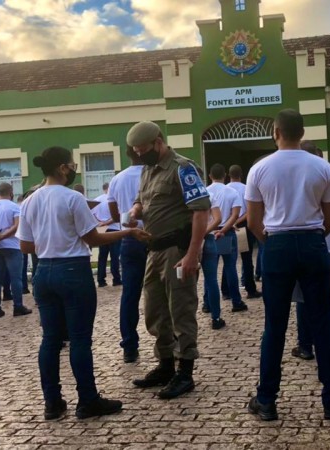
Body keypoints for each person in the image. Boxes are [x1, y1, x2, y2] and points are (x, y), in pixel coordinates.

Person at [245, 109, 330, 421]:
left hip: (277, 245)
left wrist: (274, 243)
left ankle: (266, 399)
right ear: (302, 132)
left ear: (275, 132)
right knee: (321, 321)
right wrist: (311, 237)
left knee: (275, 326)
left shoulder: (259, 169)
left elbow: (254, 222)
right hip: (313, 243)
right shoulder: (321, 168)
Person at [17, 146, 149, 420]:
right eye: (72, 164)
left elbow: (26, 246)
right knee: (79, 339)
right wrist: (129, 232)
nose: (74, 168)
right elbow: (93, 239)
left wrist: (49, 240)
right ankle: (87, 399)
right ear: (63, 168)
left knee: (50, 340)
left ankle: (52, 402)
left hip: (44, 272)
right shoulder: (73, 198)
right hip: (73, 271)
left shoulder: (29, 200)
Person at [128, 121, 210, 400]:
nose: (140, 155)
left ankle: (184, 373)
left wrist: (192, 254)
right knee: (155, 310)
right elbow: (142, 200)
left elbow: (201, 212)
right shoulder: (148, 170)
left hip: (178, 250)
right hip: (154, 250)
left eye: (144, 149)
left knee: (181, 310)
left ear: (158, 142)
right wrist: (136, 209)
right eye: (137, 151)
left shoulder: (183, 168)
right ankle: (165, 365)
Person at [292, 142, 330, 361]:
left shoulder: (294, 177)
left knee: (303, 299)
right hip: (329, 245)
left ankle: (306, 345)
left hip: (305, 247)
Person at [107, 148, 147, 363]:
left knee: (130, 294)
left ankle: (129, 345)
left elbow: (113, 212)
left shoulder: (117, 179)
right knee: (165, 291)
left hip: (130, 237)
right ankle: (173, 338)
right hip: (153, 235)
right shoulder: (153, 173)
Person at [0, 183, 32, 318]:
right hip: (12, 245)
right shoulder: (15, 207)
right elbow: (17, 226)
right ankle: (18, 306)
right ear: (11, 193)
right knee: (16, 278)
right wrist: (4, 236)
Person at [207, 163, 248, 313]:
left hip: (211, 232)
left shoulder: (205, 192)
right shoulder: (231, 192)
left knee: (210, 271)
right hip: (226, 232)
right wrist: (224, 230)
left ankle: (207, 303)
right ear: (224, 175)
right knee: (230, 267)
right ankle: (236, 301)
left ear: (210, 176)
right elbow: (235, 215)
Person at [227, 164, 262, 299]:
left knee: (228, 259)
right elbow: (249, 211)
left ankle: (226, 291)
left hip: (227, 226)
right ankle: (250, 289)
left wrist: (231, 222)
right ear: (241, 174)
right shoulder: (246, 188)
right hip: (242, 226)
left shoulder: (225, 189)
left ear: (228, 175)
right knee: (246, 259)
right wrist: (238, 221)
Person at [200, 181, 225, 329]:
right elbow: (218, 218)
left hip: (189, 240)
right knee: (212, 280)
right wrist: (205, 231)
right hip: (208, 238)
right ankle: (216, 317)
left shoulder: (183, 195)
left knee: (187, 284)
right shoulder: (209, 195)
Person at [93, 182, 123, 287]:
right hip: (114, 229)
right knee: (115, 256)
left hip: (102, 230)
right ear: (109, 188)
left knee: (102, 255)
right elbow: (117, 215)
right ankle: (116, 279)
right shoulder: (113, 199)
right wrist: (107, 222)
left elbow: (92, 214)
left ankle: (101, 280)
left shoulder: (97, 200)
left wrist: (100, 222)